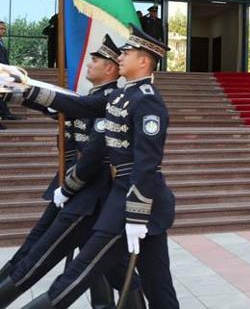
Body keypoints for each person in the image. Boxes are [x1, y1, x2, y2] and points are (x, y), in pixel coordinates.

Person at [15, 24, 179, 309]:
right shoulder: (120, 96)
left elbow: (146, 163)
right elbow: (77, 106)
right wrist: (26, 91)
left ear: (143, 61)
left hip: (133, 199)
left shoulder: (148, 101)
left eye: (127, 52)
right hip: (125, 196)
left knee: (79, 276)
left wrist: (137, 214)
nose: (121, 56)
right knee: (158, 284)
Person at [0, 35, 143, 309]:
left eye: (96, 60)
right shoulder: (91, 98)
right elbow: (56, 105)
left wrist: (70, 187)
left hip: (90, 191)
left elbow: (93, 151)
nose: (89, 64)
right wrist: (10, 85)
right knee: (98, 261)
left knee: (43, 257)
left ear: (111, 69)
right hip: (73, 188)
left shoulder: (112, 99)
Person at [0, 21, 20, 125]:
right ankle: (5, 114)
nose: (3, 31)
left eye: (4, 29)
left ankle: (5, 113)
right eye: (1, 29)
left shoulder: (1, 42)